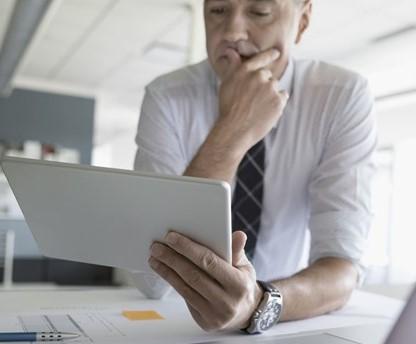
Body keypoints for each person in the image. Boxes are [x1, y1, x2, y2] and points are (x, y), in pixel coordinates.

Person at [134, 0, 377, 334]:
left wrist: (258, 303)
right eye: (217, 11)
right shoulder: (166, 97)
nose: (232, 32)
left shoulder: (342, 97)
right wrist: (232, 129)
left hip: (288, 313)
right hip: (175, 323)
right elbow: (151, 277)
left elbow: (342, 268)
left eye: (260, 11)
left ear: (302, 21)